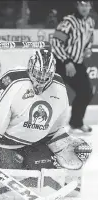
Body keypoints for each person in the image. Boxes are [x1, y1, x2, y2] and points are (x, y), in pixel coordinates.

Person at [0, 49, 91, 198]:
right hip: (7, 145)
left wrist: (65, 146)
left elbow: (56, 127)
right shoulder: (14, 80)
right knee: (12, 175)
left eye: (46, 76)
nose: (41, 81)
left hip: (36, 145)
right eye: (38, 74)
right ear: (30, 67)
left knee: (43, 174)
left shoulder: (59, 87)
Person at [51, 1, 95, 133]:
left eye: (87, 5)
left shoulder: (91, 22)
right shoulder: (68, 21)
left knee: (86, 92)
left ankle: (76, 123)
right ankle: (46, 126)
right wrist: (67, 61)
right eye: (82, 4)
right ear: (77, 6)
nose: (84, 8)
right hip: (61, 62)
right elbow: (56, 41)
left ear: (90, 7)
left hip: (77, 63)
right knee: (52, 93)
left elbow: (89, 39)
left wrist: (87, 49)